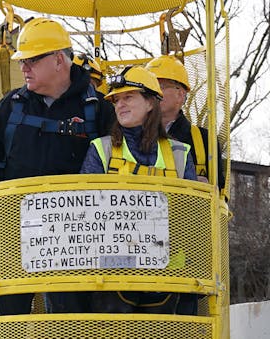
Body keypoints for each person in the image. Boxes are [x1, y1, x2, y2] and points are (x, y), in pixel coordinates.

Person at [0, 17, 113, 314]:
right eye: (21, 61)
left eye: (31, 60)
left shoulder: (100, 109)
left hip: (75, 235)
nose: (23, 68)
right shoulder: (11, 106)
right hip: (13, 227)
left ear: (58, 60)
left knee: (70, 319)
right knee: (7, 314)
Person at [81, 65, 200, 312]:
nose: (120, 105)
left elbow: (189, 217)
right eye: (116, 100)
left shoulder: (180, 153)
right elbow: (87, 214)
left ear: (150, 103)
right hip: (113, 274)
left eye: (128, 97)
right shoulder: (100, 150)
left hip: (167, 274)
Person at [145, 54, 225, 190]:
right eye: (149, 87)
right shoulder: (129, 134)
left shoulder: (205, 140)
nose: (153, 92)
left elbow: (219, 195)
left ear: (181, 95)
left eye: (160, 86)